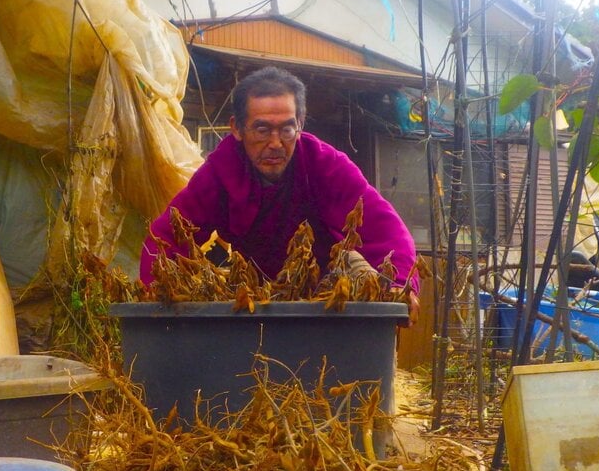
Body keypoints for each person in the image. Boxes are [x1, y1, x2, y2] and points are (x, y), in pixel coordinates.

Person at [140, 66, 419, 322]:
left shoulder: (325, 164)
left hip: (329, 291)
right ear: (236, 128)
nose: (275, 143)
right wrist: (156, 290)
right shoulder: (220, 171)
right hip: (257, 293)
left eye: (286, 129)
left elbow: (385, 229)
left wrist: (400, 285)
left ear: (300, 123)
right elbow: (165, 237)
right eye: (262, 129)